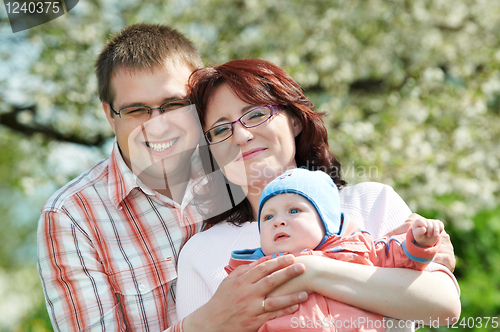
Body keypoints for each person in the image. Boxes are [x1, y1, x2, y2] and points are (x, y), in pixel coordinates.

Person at [37, 24, 312, 332]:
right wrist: (209, 323)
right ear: (109, 115)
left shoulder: (236, 161)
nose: (158, 126)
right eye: (136, 111)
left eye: (174, 105)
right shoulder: (72, 216)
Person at [176, 58, 461, 330]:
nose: (241, 136)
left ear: (295, 121)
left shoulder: (371, 202)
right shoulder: (202, 252)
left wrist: (311, 270)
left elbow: (443, 305)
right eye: (221, 129)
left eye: (256, 114)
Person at [225, 168, 443, 331]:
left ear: (325, 221)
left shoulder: (355, 249)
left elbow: (400, 259)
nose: (278, 221)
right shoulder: (254, 271)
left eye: (293, 210)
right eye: (268, 216)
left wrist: (420, 243)